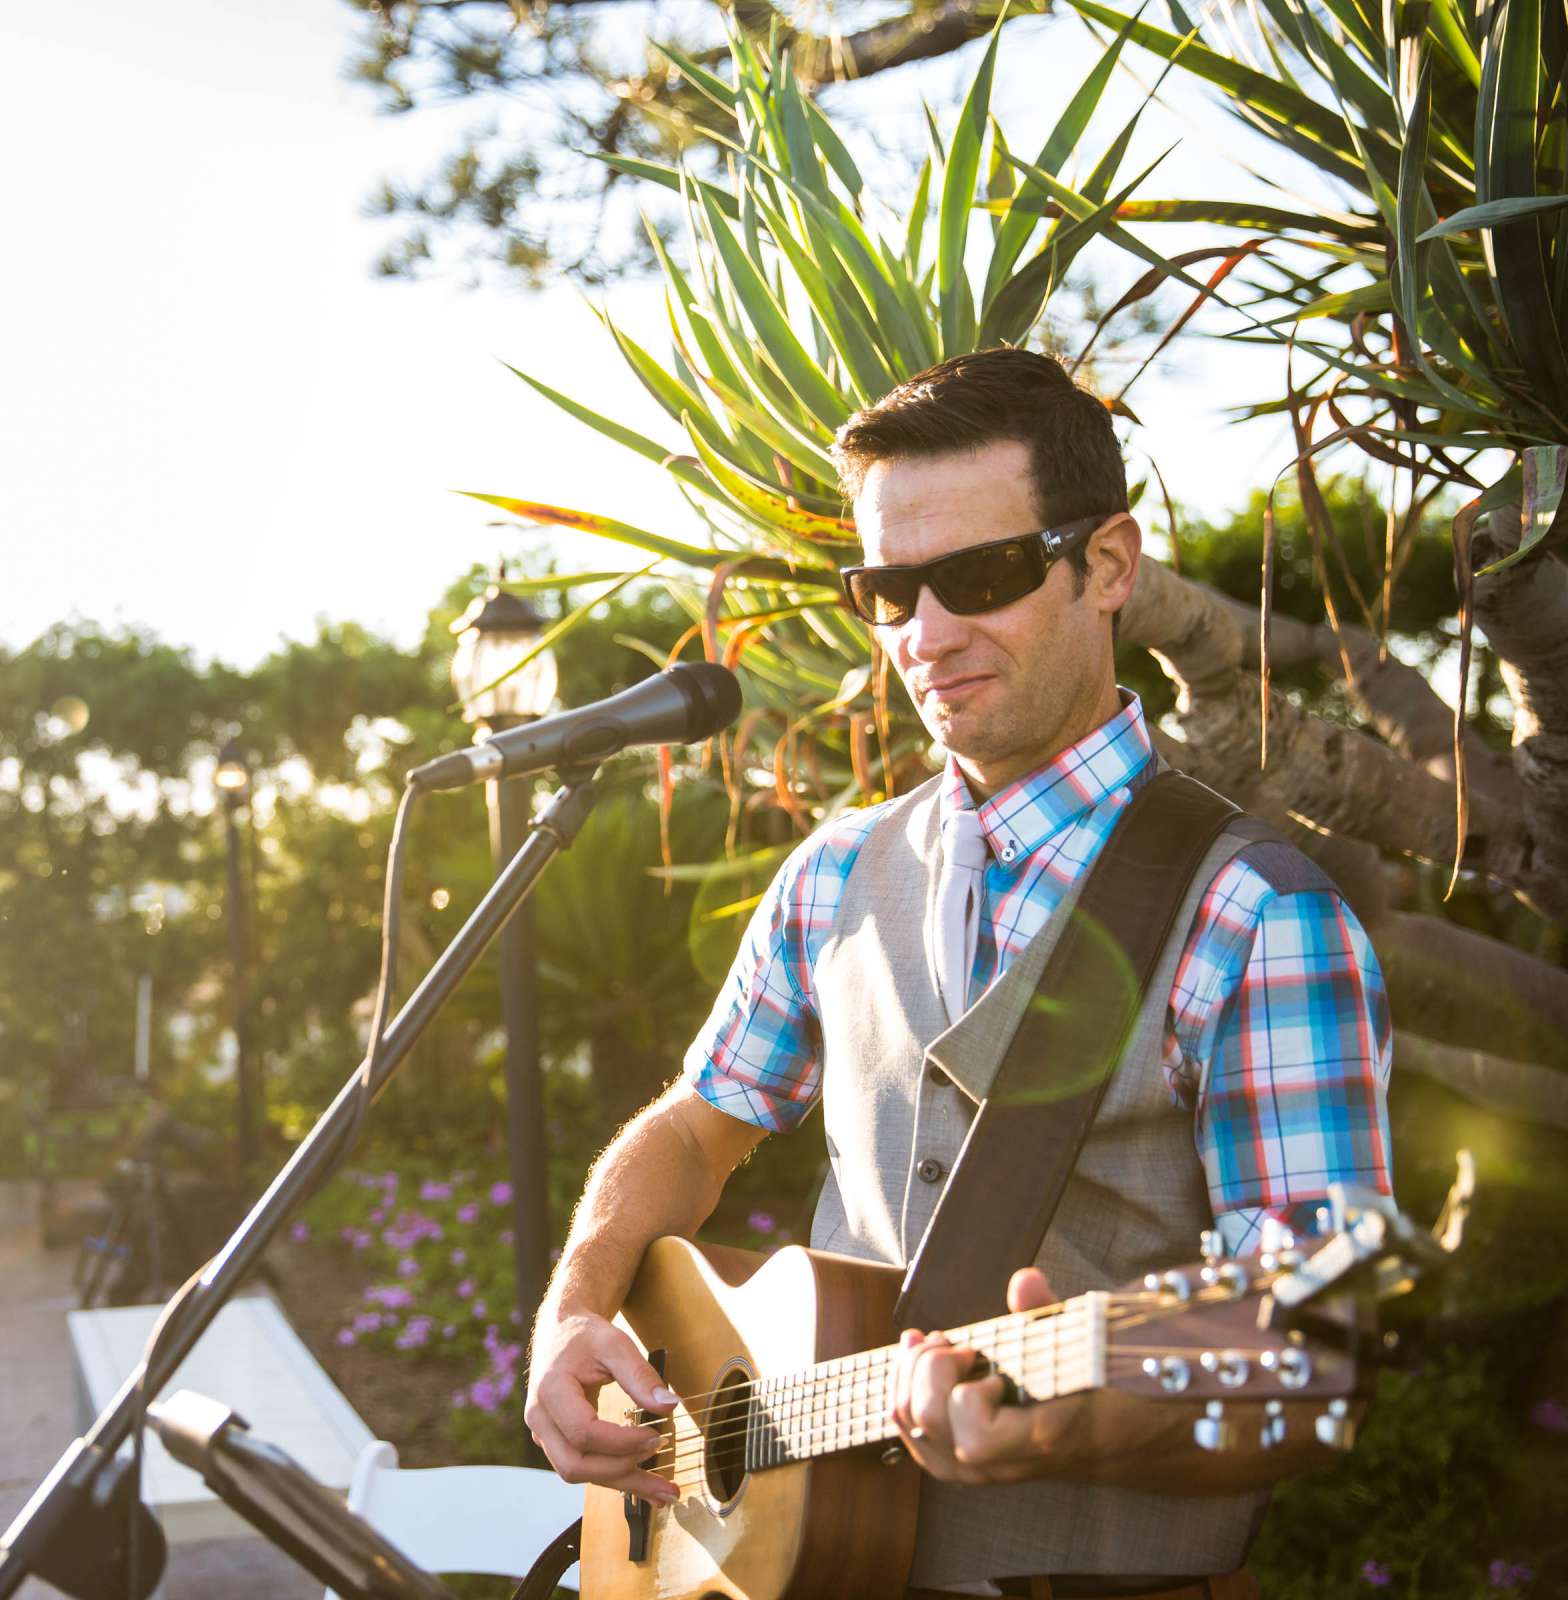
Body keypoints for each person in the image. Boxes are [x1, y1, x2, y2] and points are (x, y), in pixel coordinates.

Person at [523, 349, 1393, 1598]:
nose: (926, 636)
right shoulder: (832, 873)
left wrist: (1071, 1421)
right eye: (887, 588)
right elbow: (697, 1125)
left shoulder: (1259, 915)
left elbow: (1313, 1355)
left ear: (1106, 566)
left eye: (979, 576)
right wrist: (575, 1306)